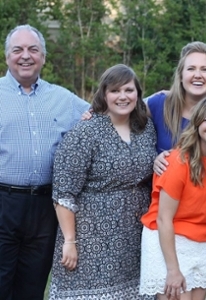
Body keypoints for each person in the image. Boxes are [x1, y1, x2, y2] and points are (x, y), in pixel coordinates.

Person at [49, 64, 157, 299]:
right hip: (91, 239)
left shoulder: (146, 128)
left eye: (128, 90)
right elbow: (64, 192)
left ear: (138, 93)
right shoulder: (86, 132)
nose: (122, 96)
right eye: (115, 91)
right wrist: (70, 241)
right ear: (104, 94)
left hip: (135, 237)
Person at [0, 24, 90, 300]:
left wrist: (161, 102)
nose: (25, 56)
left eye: (33, 50)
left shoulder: (62, 99)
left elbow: (104, 115)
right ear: (7, 57)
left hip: (44, 207)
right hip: (4, 203)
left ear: (43, 57)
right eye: (18, 50)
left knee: (33, 285)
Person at [140, 95, 206, 300]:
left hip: (201, 241)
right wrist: (173, 270)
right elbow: (164, 219)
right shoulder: (178, 162)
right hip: (168, 239)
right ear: (197, 123)